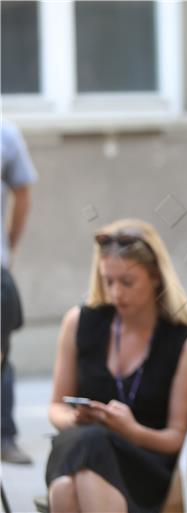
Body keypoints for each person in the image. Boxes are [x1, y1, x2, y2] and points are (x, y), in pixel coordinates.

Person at [46, 218, 187, 513]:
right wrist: (77, 419)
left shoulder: (185, 344)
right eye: (108, 281)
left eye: (127, 282)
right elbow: (55, 408)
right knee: (81, 462)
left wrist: (130, 430)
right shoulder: (79, 322)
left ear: (155, 276)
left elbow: (176, 437)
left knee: (71, 482)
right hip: (81, 450)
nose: (116, 293)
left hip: (144, 464)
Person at [1, 120, 37, 465]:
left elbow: (23, 191)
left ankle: (3, 436)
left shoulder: (5, 134)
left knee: (0, 358)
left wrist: (9, 246)